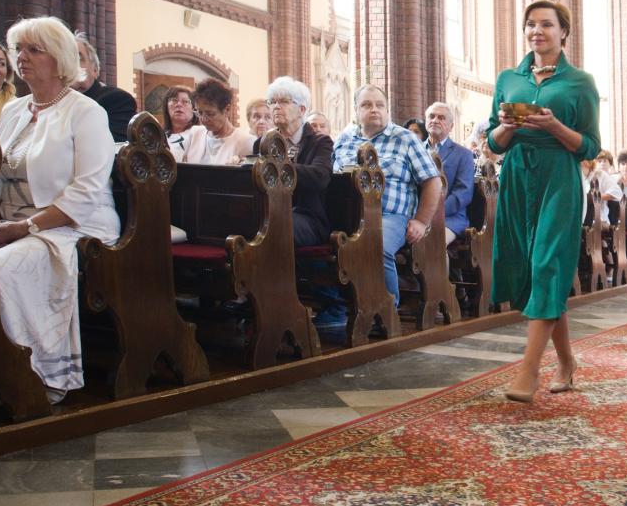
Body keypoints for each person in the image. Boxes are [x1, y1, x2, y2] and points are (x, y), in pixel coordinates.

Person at [0, 17, 119, 403]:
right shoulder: (14, 111)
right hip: (13, 222)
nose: (22, 57)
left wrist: (26, 227)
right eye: (19, 49)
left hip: (74, 224)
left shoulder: (85, 112)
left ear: (61, 58)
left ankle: (29, 373)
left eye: (34, 50)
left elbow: (87, 190)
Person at [487, 0, 602, 402]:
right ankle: (567, 362)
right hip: (517, 175)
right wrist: (506, 127)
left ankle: (528, 371)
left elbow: (590, 145)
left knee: (547, 264)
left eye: (547, 25)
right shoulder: (508, 78)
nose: (537, 31)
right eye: (531, 24)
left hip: (558, 177)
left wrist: (554, 126)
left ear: (563, 32)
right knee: (532, 270)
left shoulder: (580, 82)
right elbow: (493, 142)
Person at [334, 85, 443, 307]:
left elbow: (433, 181)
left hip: (391, 216)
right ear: (356, 110)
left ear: (387, 110)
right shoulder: (344, 140)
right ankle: (340, 308)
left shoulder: (404, 139)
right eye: (366, 105)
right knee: (317, 242)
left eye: (379, 105)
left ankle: (386, 311)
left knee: (376, 245)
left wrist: (421, 221)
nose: (374, 109)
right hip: (348, 216)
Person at [260, 77, 342, 325]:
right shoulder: (263, 142)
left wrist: (280, 168)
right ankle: (256, 299)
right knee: (252, 227)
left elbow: (319, 177)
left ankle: (289, 305)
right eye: (272, 101)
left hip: (308, 217)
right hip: (270, 212)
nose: (276, 107)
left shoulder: (319, 142)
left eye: (284, 101)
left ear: (302, 109)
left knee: (275, 229)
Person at [73, 32, 137, 143]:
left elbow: (111, 147)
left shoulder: (116, 100)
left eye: (78, 58)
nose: (70, 64)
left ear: (95, 70)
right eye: (65, 58)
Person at [425, 101, 474, 244]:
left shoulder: (463, 154)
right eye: (431, 116)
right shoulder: (416, 150)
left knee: (433, 243)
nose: (435, 120)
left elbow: (463, 194)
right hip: (416, 216)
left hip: (450, 218)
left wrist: (432, 212)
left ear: (451, 126)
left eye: (441, 118)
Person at [180, 78, 255, 165]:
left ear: (227, 109)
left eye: (210, 114)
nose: (203, 119)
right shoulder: (195, 134)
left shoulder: (245, 141)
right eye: (199, 112)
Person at [162, 85, 204, 160]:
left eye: (185, 101)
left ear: (194, 108)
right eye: (174, 100)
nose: (179, 104)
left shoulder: (201, 134)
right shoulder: (159, 136)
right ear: (166, 107)